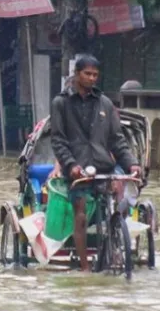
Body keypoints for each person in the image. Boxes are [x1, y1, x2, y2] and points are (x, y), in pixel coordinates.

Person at [50, 55, 141, 273]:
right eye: (87, 74)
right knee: (80, 213)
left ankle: (115, 243)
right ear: (77, 74)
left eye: (95, 75)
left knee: (117, 203)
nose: (92, 79)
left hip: (103, 167)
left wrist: (132, 164)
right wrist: (70, 165)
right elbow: (58, 140)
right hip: (77, 170)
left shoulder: (105, 104)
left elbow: (116, 140)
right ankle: (84, 268)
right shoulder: (61, 103)